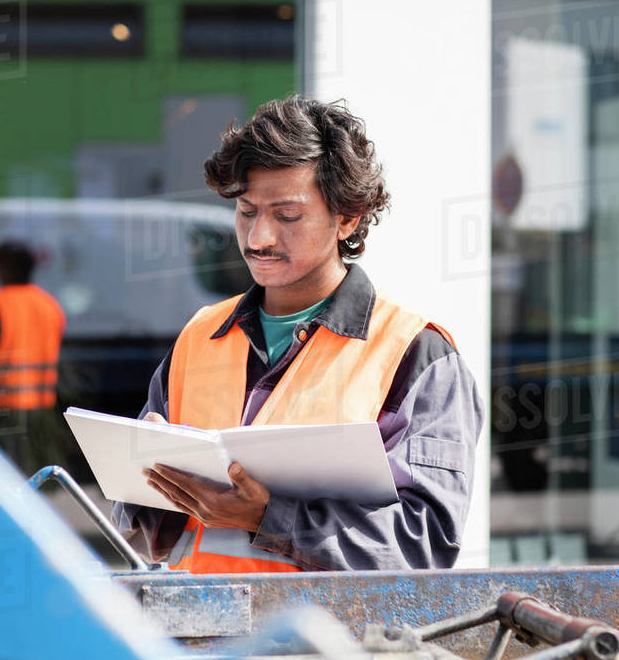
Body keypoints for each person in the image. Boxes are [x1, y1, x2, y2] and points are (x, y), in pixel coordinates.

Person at [111, 95, 485, 573]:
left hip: (337, 645)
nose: (258, 238)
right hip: (198, 638)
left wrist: (268, 517)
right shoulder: (200, 336)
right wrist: (154, 480)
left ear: (347, 217)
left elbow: (424, 544)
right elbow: (135, 525)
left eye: (287, 217)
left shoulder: (417, 354)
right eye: (247, 212)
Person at [0, 240, 66, 476]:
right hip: (40, 409)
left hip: (1, 410)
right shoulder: (49, 305)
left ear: (8, 268)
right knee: (35, 477)